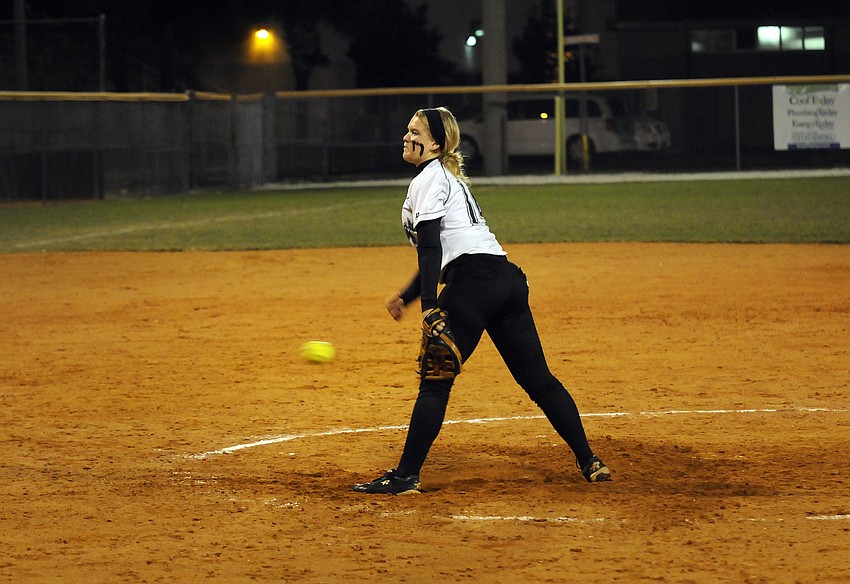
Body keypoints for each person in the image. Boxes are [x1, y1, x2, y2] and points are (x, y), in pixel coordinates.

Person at [352, 106, 611, 495]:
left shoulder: (429, 179)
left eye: (416, 132)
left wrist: (428, 305)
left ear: (436, 144)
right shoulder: (449, 178)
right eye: (408, 130)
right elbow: (451, 250)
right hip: (506, 281)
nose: (407, 137)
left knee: (435, 383)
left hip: (472, 285)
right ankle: (590, 461)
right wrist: (408, 296)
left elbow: (432, 247)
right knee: (540, 381)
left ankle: (405, 476)